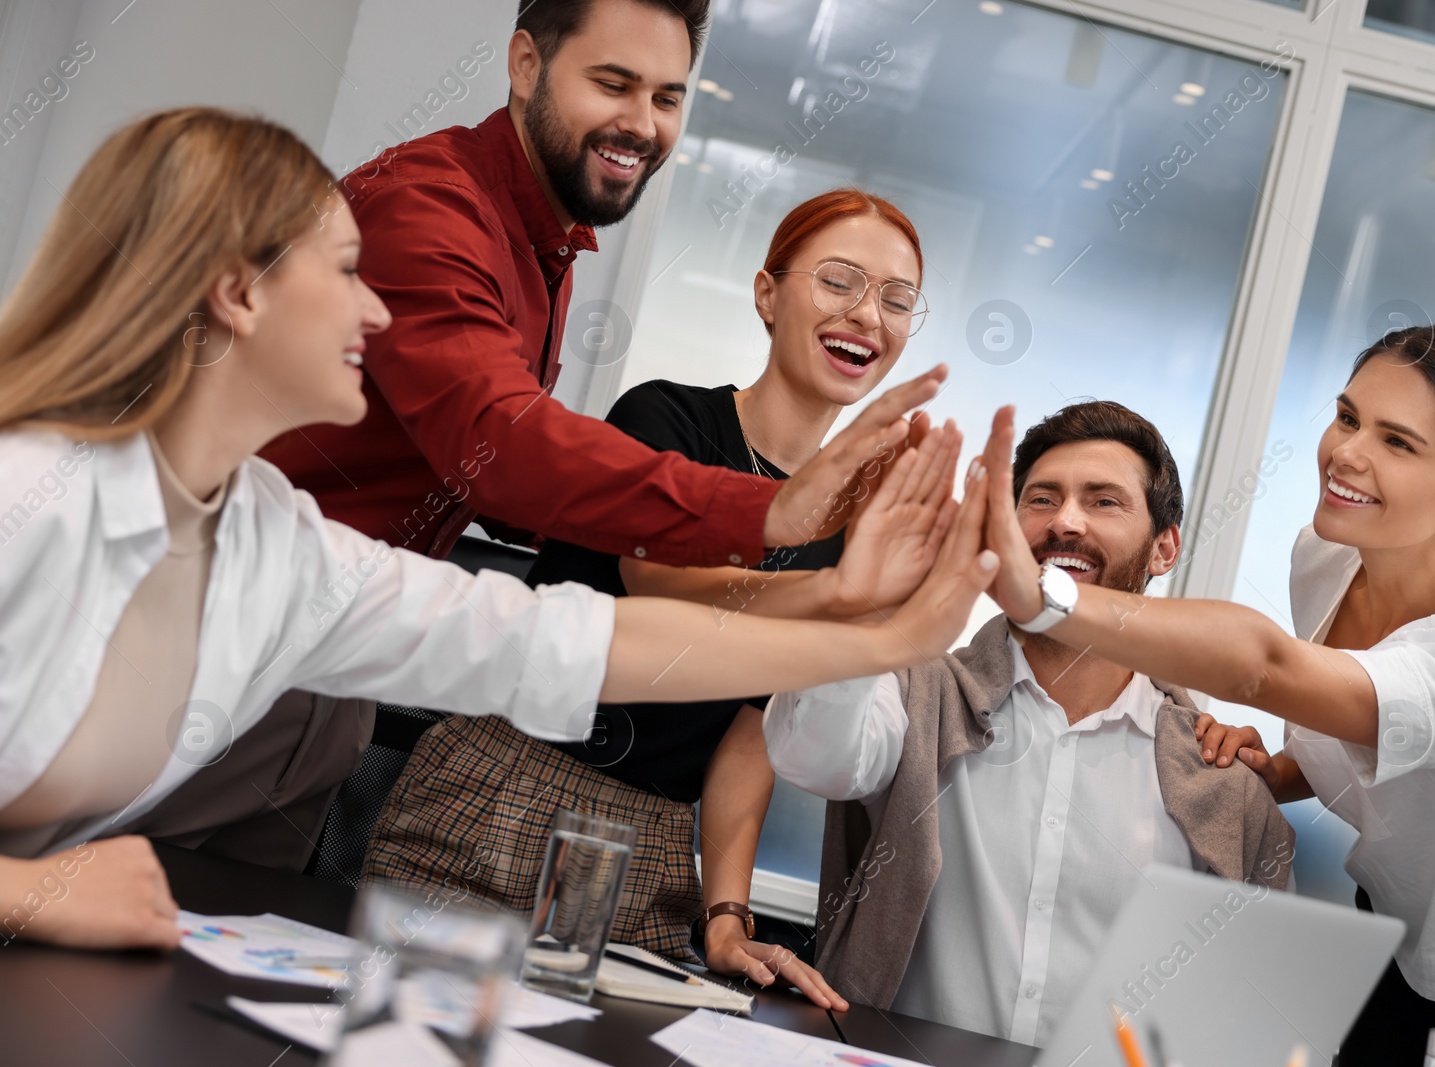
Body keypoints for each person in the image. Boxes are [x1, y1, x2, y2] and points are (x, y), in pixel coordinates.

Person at [0, 108, 998, 952]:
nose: (378, 310)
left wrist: (880, 635)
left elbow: (546, 637)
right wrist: (25, 891)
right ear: (235, 290)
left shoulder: (275, 539)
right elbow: (631, 590)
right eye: (349, 270)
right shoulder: (28, 492)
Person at [128, 0, 948, 868]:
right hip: (228, 640)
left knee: (210, 944)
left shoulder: (546, 241)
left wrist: (862, 604)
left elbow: (507, 517)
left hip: (335, 650)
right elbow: (502, 451)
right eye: (613, 83)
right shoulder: (433, 206)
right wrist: (777, 516)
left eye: (669, 97)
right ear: (526, 65)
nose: (643, 122)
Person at [363, 189, 946, 1010]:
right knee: (408, 1038)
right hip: (505, 782)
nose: (867, 315)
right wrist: (835, 595)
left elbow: (750, 733)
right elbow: (661, 585)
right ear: (768, 294)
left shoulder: (851, 533)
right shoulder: (667, 417)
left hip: (656, 844)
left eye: (896, 299)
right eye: (840, 281)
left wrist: (727, 913)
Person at [975, 327, 1435, 1064]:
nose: (1347, 453)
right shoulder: (1330, 554)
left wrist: (1044, 595)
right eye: (1347, 416)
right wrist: (1281, 771)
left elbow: (1267, 668)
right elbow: (1371, 727)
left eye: (1397, 443)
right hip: (1398, 944)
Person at [763, 400, 1293, 1043]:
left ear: (1165, 547)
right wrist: (862, 605)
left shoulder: (1218, 777)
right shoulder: (918, 693)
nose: (1065, 522)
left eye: (1104, 502)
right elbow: (810, 754)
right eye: (1042, 499)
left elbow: (1259, 1017)